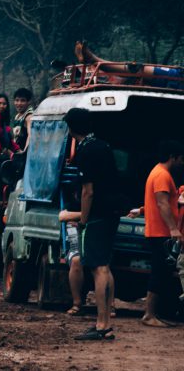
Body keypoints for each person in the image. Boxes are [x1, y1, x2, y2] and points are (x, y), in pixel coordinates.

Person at [64, 108, 117, 341]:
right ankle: (104, 323)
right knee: (103, 265)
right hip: (112, 211)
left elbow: (88, 191)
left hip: (97, 215)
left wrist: (83, 220)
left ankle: (102, 324)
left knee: (98, 268)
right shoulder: (104, 145)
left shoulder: (85, 150)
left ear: (71, 127)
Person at [129, 140, 184, 326]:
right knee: (159, 272)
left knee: (162, 271)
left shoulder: (158, 173)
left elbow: (161, 202)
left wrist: (142, 210)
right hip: (160, 232)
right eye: (180, 159)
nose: (181, 163)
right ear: (173, 157)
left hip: (158, 230)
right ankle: (149, 315)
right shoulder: (162, 175)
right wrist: (173, 228)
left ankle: (156, 313)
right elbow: (162, 204)